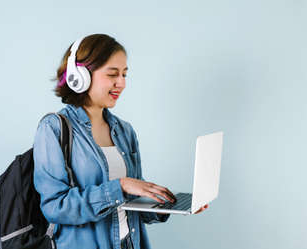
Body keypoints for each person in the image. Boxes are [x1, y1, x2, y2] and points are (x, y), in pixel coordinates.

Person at [33, 33, 208, 249]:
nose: (122, 83)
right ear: (80, 77)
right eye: (113, 74)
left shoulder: (125, 131)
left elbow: (132, 206)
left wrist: (166, 205)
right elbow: (55, 207)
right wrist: (121, 187)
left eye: (125, 74)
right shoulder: (53, 128)